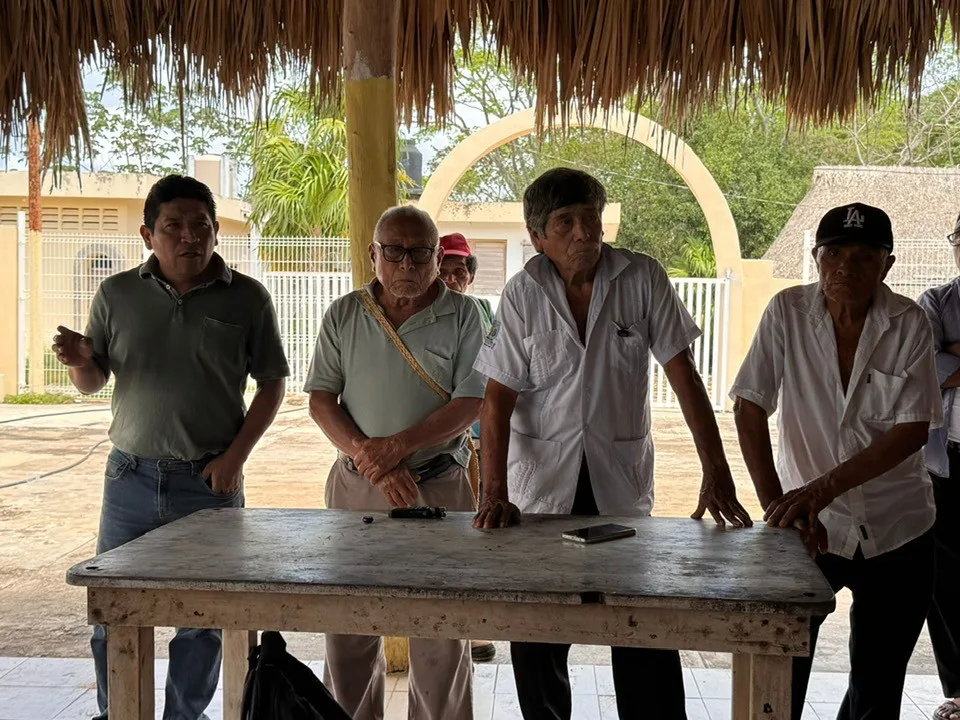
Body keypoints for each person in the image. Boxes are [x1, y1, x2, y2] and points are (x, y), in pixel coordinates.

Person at [471, 167, 752, 720]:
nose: (584, 232)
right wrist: (493, 493)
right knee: (538, 633)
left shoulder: (642, 277)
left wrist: (716, 470)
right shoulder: (523, 293)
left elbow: (685, 376)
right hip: (540, 491)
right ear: (538, 237)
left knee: (641, 624)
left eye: (591, 217)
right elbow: (496, 403)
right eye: (566, 222)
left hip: (618, 484)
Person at [53, 174, 289, 720]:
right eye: (174, 226)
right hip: (129, 481)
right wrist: (81, 361)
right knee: (113, 612)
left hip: (209, 482)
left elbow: (273, 382)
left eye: (200, 225)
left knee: (202, 619)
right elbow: (94, 382)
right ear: (148, 234)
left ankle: (186, 716)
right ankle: (121, 714)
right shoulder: (117, 294)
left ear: (215, 230)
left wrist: (236, 458)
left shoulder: (247, 297)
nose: (189, 237)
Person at [730, 203, 940, 720]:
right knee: (783, 672)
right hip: (808, 530)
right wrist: (779, 507)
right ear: (817, 258)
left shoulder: (908, 323)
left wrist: (820, 489)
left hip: (899, 530)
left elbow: (912, 430)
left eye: (865, 256)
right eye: (835, 253)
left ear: (886, 266)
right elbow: (749, 406)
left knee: (878, 682)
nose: (847, 266)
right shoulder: (787, 313)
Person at [305, 206, 484, 720]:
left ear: (436, 256)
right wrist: (371, 458)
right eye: (394, 251)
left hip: (439, 488)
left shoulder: (466, 315)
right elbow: (321, 400)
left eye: (420, 252)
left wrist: (397, 448)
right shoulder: (344, 313)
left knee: (440, 637)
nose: (407, 263)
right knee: (348, 632)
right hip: (356, 487)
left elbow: (471, 401)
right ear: (373, 254)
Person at [438, 231, 497, 664]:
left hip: (476, 438)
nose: (454, 278)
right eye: (446, 269)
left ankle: (475, 629)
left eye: (461, 270)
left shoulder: (482, 311)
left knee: (473, 534)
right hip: (442, 442)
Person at [918, 213, 960, 720]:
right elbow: (927, 368)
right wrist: (944, 358)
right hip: (946, 461)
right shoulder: (936, 302)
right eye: (959, 238)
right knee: (944, 583)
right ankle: (959, 691)